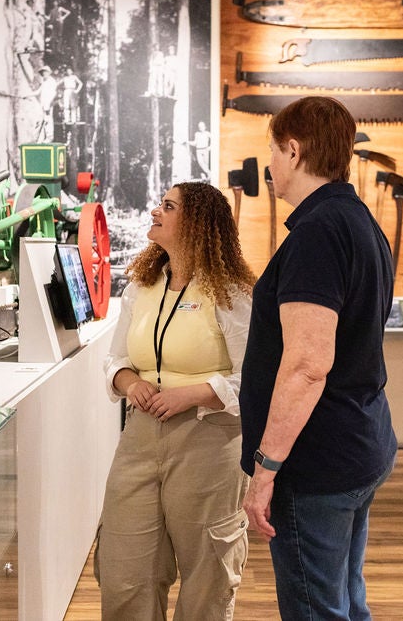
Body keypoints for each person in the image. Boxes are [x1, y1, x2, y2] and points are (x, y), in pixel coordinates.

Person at [239, 95, 397, 621]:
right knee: (345, 600)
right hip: (355, 441)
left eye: (272, 151)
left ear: (293, 148)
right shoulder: (357, 221)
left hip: (316, 461)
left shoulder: (318, 234)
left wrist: (266, 468)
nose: (269, 166)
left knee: (317, 609)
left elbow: (308, 364)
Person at [97, 181, 256, 620]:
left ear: (197, 224)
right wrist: (130, 383)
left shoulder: (232, 292)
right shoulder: (141, 286)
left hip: (211, 439)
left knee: (209, 569)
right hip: (141, 438)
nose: (155, 211)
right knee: (124, 566)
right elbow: (116, 360)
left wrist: (198, 393)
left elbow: (257, 378)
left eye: (167, 206)